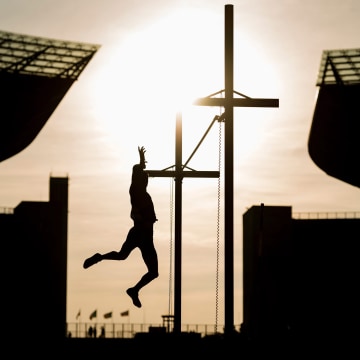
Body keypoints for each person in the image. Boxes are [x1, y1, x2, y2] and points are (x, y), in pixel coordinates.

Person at [83, 146, 158, 308]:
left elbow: (138, 171)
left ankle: (133, 289)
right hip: (140, 234)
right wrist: (139, 163)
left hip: (144, 236)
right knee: (125, 257)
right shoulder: (137, 192)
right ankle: (101, 259)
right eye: (145, 178)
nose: (147, 179)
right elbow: (136, 173)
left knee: (144, 267)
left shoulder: (142, 193)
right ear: (140, 180)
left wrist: (141, 160)